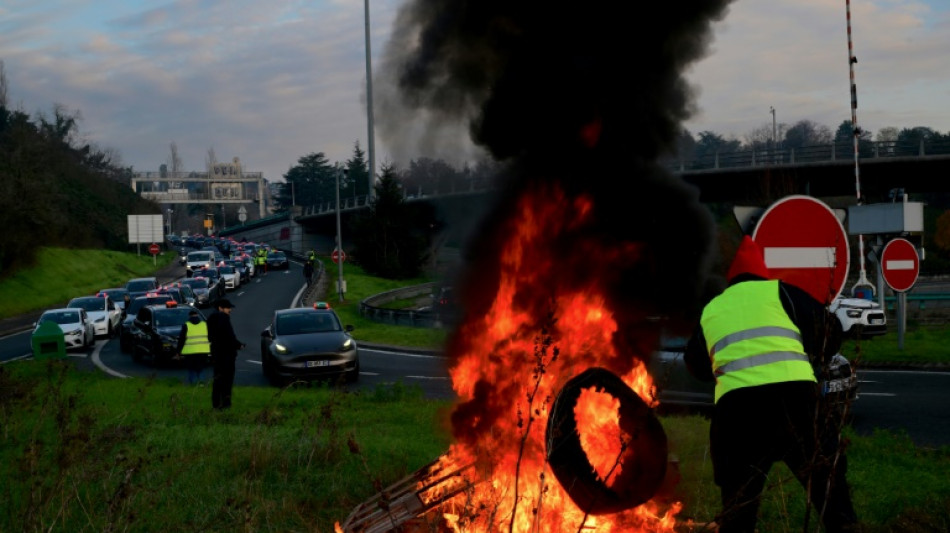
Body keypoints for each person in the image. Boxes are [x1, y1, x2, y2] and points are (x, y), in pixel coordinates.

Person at [684, 236, 858, 533]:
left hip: (737, 413)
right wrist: (812, 354)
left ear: (731, 280)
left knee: (739, 506)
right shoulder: (783, 293)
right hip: (796, 402)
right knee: (828, 488)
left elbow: (696, 365)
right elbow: (830, 331)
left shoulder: (713, 308)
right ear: (762, 274)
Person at [207, 298, 245, 409]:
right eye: (228, 308)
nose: (230, 310)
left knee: (218, 379)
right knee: (227, 380)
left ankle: (216, 403)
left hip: (216, 353)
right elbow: (229, 336)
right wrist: (239, 345)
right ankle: (226, 403)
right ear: (220, 308)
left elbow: (211, 337)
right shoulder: (223, 318)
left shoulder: (211, 318)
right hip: (227, 354)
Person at [176, 309, 210, 385]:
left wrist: (178, 352)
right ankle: (201, 384)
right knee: (201, 367)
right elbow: (211, 337)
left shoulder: (186, 325)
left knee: (192, 368)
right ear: (197, 315)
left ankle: (193, 384)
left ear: (189, 316)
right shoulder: (205, 325)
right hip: (203, 350)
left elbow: (181, 339)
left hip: (190, 352)